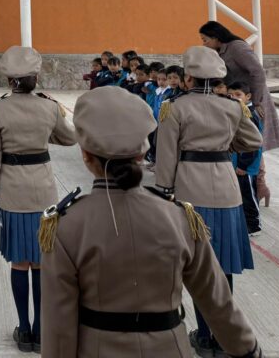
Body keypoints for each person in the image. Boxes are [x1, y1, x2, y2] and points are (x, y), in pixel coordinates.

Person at [40, 85, 264, 358]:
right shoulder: (181, 218)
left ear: (85, 155)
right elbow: (217, 302)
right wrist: (248, 350)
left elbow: (58, 326)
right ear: (140, 154)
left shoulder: (66, 227)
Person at [155, 46, 263, 357]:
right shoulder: (231, 107)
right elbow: (253, 140)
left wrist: (164, 190)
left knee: (199, 267)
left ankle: (204, 336)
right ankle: (224, 336)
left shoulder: (174, 108)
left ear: (188, 77)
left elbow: (166, 155)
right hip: (226, 188)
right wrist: (226, 144)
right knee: (224, 266)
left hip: (191, 188)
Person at [0, 46, 77, 353]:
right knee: (41, 262)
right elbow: (69, 138)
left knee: (19, 262)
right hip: (43, 191)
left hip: (12, 190)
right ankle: (40, 330)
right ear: (36, 77)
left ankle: (23, 329)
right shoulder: (48, 107)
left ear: (9, 79)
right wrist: (52, 121)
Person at [200, 21, 279, 207]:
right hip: (238, 101)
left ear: (216, 37)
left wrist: (257, 101)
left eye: (205, 40)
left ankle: (258, 185)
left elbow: (258, 72)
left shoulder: (236, 47)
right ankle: (260, 185)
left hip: (251, 100)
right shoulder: (221, 51)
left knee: (253, 141)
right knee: (246, 141)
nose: (204, 44)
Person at [228, 82, 263, 235]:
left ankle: (254, 225)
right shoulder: (239, 111)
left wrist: (243, 165)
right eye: (230, 95)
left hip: (246, 166)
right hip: (238, 162)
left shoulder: (249, 114)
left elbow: (253, 144)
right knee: (242, 194)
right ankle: (245, 223)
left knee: (249, 195)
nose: (234, 98)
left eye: (238, 95)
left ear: (247, 96)